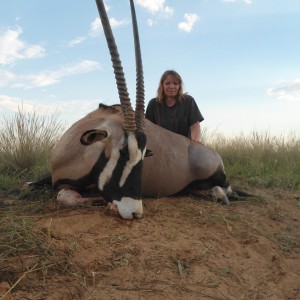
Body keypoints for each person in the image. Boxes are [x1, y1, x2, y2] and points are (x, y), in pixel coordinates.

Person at [146, 70, 204, 142]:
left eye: (175, 84)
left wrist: (195, 145)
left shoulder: (188, 101)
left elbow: (195, 127)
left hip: (184, 147)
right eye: (167, 83)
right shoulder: (153, 104)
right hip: (160, 146)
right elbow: (148, 129)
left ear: (179, 86)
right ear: (162, 86)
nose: (171, 86)